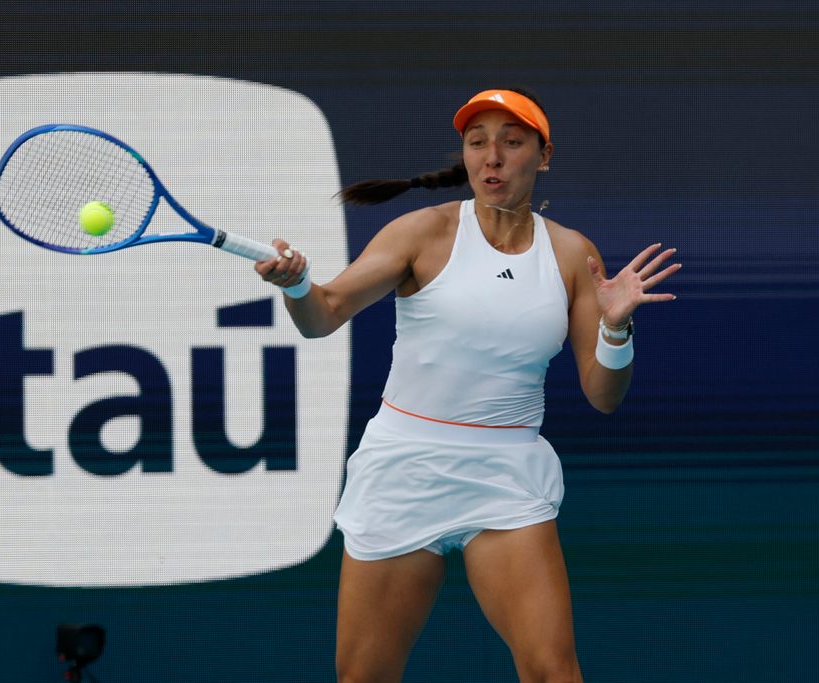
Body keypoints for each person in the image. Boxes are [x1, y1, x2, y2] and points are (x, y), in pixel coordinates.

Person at [255, 88, 680, 683]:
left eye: (512, 141)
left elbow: (603, 395)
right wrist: (298, 286)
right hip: (404, 469)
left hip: (505, 476)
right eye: (477, 142)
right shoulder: (421, 233)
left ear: (544, 155)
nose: (492, 157)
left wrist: (616, 328)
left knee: (555, 673)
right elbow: (323, 315)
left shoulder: (571, 254)